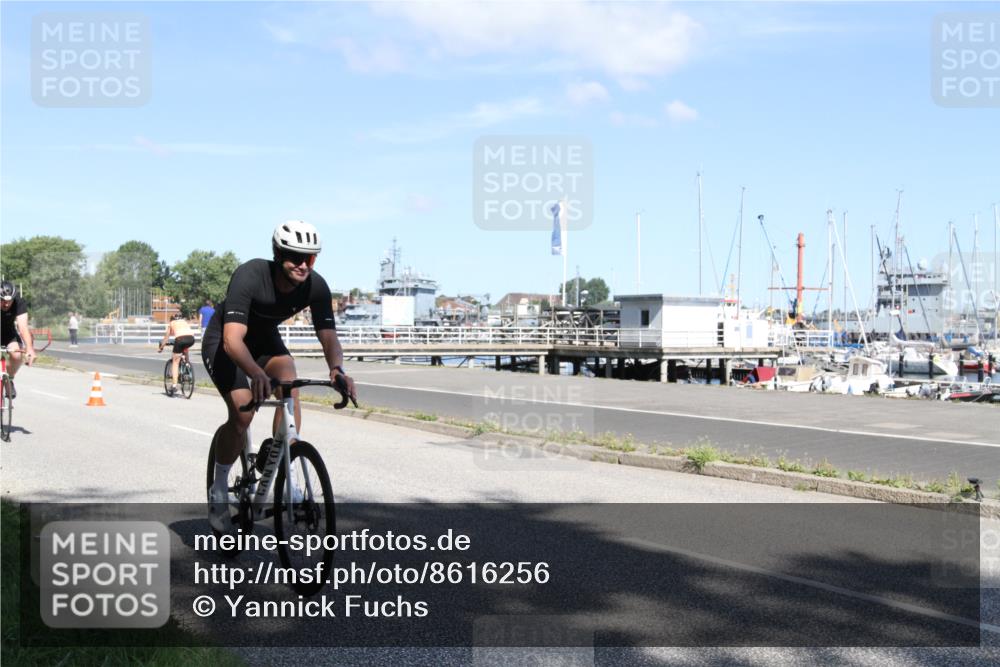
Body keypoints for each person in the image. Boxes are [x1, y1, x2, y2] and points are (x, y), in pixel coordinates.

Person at [201, 220, 356, 531]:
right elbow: (233, 340)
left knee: (289, 379)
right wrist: (255, 373)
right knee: (243, 413)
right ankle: (218, 488)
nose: (303, 265)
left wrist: (337, 369)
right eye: (295, 257)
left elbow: (329, 337)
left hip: (264, 341)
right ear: (277, 254)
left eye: (310, 258)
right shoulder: (251, 275)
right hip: (226, 341)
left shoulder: (316, 286)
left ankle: (280, 457)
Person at [0, 281, 36, 398]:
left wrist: (30, 349)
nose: (6, 304)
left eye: (9, 301)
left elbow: (23, 327)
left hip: (9, 334)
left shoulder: (19, 302)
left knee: (16, 356)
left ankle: (9, 380)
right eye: (2, 301)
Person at [158, 312, 195, 395]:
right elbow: (186, 333)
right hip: (191, 339)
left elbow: (166, 337)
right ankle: (187, 364)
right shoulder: (184, 322)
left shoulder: (172, 323)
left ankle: (174, 386)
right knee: (185, 348)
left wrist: (161, 347)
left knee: (175, 362)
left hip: (180, 340)